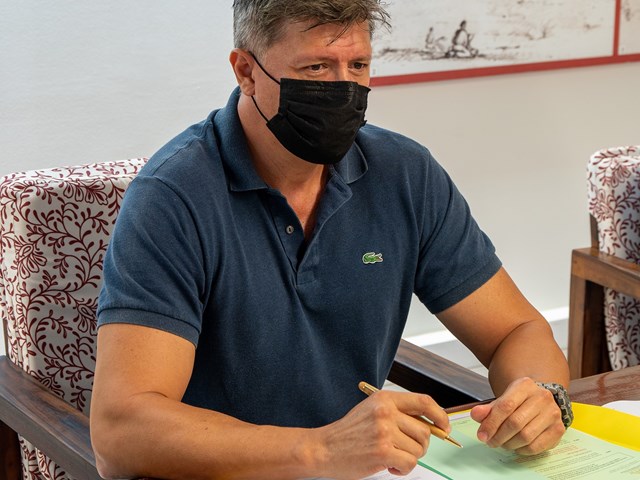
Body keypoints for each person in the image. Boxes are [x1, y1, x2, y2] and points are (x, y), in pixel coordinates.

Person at [90, 1, 571, 479]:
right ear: (246, 72)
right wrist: (320, 450)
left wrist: (542, 398)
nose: (343, 89)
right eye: (316, 68)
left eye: (357, 65)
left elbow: (517, 330)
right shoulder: (172, 198)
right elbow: (120, 432)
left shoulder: (405, 174)